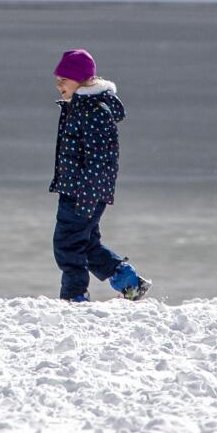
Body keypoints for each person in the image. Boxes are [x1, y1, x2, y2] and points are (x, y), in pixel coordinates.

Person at [49, 48, 151, 303]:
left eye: (64, 79)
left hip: (83, 194)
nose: (58, 85)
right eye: (57, 80)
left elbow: (102, 160)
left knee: (67, 245)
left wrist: (86, 199)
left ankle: (74, 296)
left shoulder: (93, 112)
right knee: (86, 243)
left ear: (81, 80)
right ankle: (130, 282)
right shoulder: (80, 107)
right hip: (79, 190)